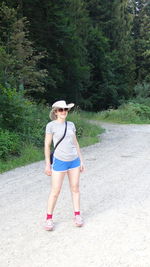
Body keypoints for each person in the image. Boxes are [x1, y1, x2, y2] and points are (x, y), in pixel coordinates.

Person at [44, 100, 84, 231]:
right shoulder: (51, 126)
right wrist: (47, 165)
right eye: (60, 110)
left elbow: (76, 143)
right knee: (55, 191)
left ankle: (77, 215)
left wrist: (81, 160)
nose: (63, 112)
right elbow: (47, 145)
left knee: (75, 188)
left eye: (65, 110)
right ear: (55, 112)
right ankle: (49, 218)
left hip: (74, 161)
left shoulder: (71, 124)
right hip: (59, 161)